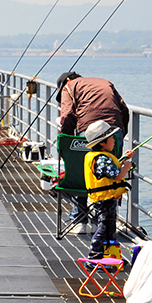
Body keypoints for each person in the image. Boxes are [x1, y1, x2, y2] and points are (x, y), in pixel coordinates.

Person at [57, 72, 130, 233]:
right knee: (111, 175)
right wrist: (120, 134)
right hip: (114, 130)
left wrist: (66, 140)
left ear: (67, 80)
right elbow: (124, 110)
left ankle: (79, 220)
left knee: (84, 172)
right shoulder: (106, 82)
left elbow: (67, 114)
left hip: (89, 130)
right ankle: (105, 219)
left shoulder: (69, 86)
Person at [81, 121, 133, 260]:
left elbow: (110, 170)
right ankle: (94, 256)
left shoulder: (100, 157)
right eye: (111, 138)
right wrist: (127, 167)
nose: (114, 141)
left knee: (110, 227)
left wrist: (123, 160)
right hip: (105, 200)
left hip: (105, 199)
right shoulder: (102, 159)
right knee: (104, 228)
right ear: (102, 142)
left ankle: (110, 256)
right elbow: (117, 176)